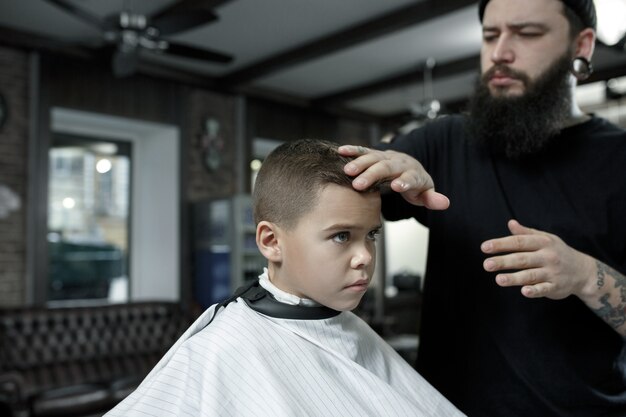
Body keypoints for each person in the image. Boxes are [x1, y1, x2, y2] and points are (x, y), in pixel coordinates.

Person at [339, 0, 626, 416]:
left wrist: (584, 275)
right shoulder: (442, 143)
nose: (499, 53)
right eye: (491, 35)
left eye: (526, 33)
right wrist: (387, 172)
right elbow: (324, 189)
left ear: (581, 45)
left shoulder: (619, 161)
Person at [105, 139, 464, 417]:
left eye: (371, 234)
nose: (365, 257)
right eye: (341, 236)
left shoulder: (349, 329)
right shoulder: (223, 349)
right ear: (271, 241)